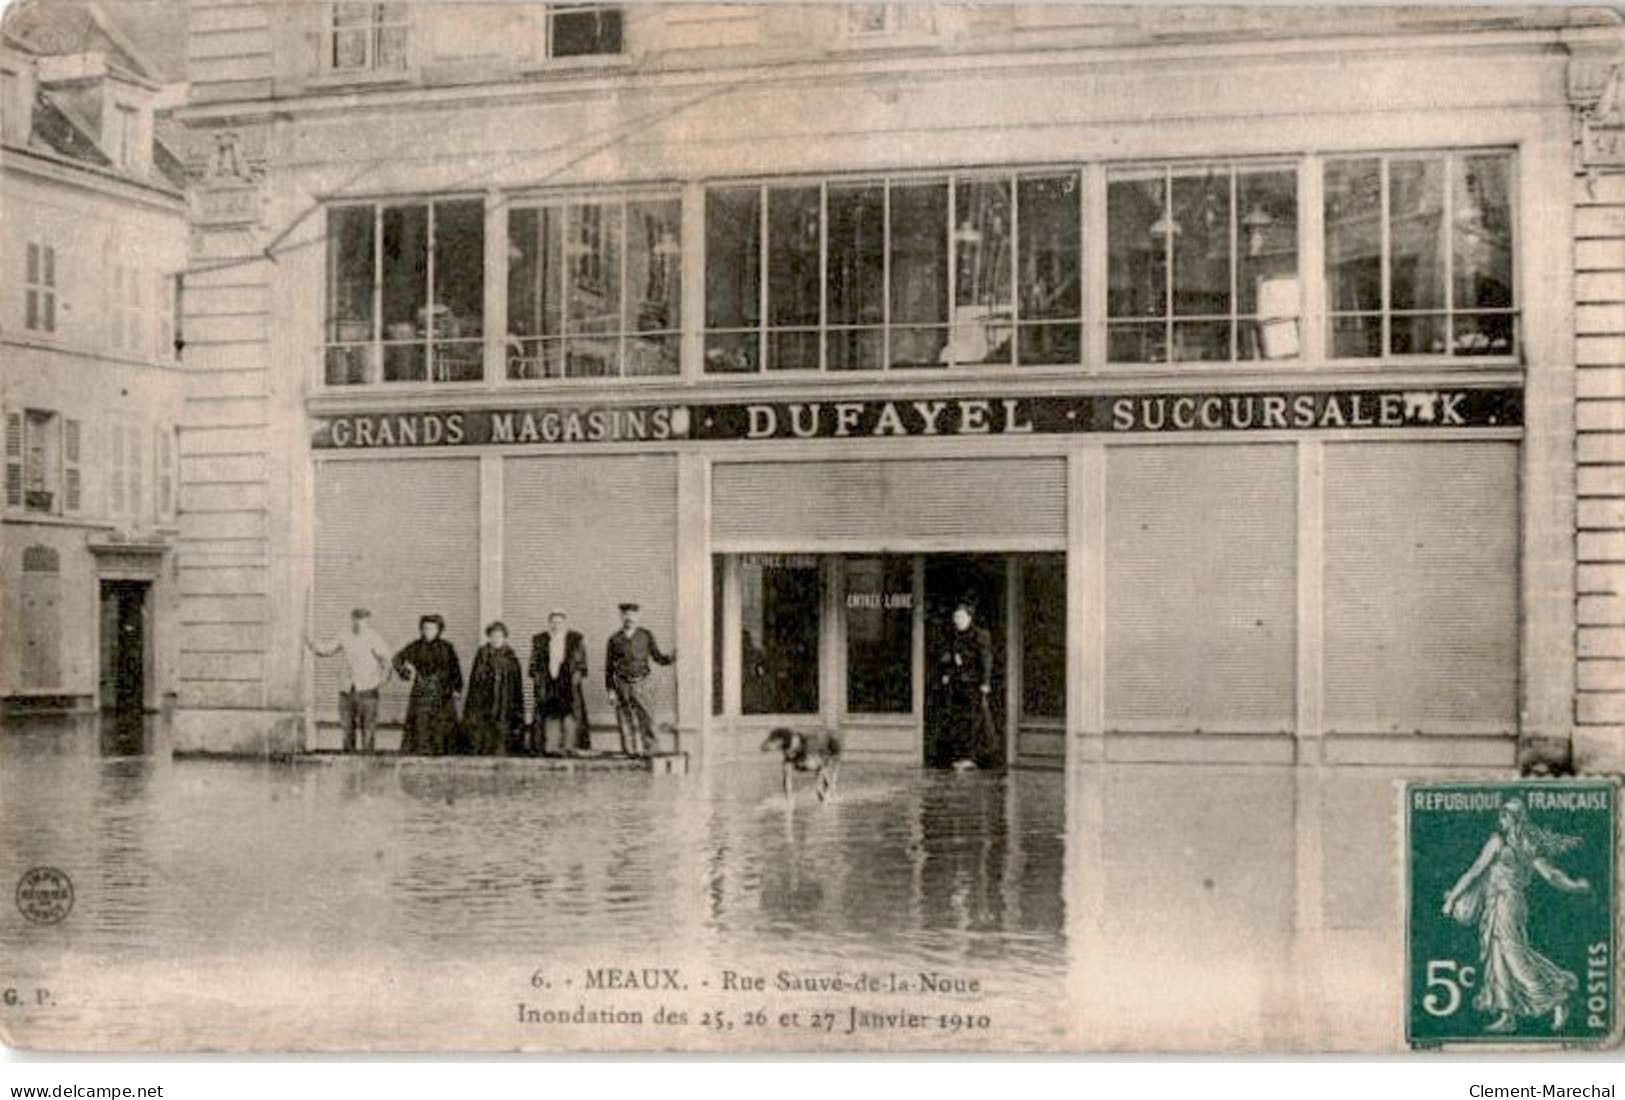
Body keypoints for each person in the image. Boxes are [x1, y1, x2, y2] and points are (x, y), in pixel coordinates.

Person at [1442, 798, 1591, 1033]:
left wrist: (1452, 899)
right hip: (1504, 903)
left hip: (1505, 904)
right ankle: (1507, 1014)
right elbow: (1551, 875)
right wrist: (1573, 886)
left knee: (1513, 955)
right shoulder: (1528, 844)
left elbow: (1474, 872)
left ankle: (1555, 997)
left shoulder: (1498, 842)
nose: (1501, 821)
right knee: (1498, 955)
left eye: (1504, 816)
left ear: (1513, 819)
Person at [303, 607, 392, 753]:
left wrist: (383, 678)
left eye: (362, 620)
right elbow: (327, 649)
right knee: (347, 727)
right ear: (352, 620)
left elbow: (386, 660)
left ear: (367, 621)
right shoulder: (344, 635)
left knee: (368, 728)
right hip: (347, 689)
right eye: (356, 619)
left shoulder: (374, 637)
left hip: (368, 690)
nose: (359, 623)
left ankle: (367, 761)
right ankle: (348, 759)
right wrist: (311, 643)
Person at [605, 602, 674, 758]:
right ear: (621, 617)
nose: (629, 618)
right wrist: (611, 691)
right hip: (621, 684)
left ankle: (651, 752)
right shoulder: (614, 639)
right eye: (626, 615)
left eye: (632, 615)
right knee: (624, 720)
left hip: (642, 683)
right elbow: (609, 667)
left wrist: (672, 657)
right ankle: (630, 753)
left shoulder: (646, 635)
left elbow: (658, 657)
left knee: (647, 719)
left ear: (638, 616)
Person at [936, 598, 997, 771]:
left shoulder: (980, 635)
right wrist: (948, 674)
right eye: (956, 618)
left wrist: (986, 682)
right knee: (960, 721)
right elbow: (951, 659)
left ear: (969, 618)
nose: (958, 621)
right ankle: (964, 756)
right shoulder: (955, 636)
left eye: (961, 618)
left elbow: (986, 659)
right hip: (959, 686)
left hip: (974, 685)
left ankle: (974, 757)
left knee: (975, 722)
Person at [393, 614, 463, 755]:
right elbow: (397, 659)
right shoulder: (416, 646)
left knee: (442, 726)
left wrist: (457, 688)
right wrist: (407, 673)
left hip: (442, 693)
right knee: (421, 724)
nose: (428, 631)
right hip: (422, 692)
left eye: (432, 628)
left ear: (439, 630)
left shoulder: (447, 647)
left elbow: (455, 669)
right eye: (425, 628)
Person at [530, 610, 590, 755]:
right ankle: (552, 747)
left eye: (559, 622)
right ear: (549, 623)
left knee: (569, 712)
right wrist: (539, 680)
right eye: (553, 622)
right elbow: (534, 664)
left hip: (567, 681)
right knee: (550, 712)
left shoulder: (575, 639)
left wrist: (576, 678)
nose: (556, 625)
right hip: (549, 681)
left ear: (565, 623)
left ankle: (570, 746)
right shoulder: (540, 640)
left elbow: (581, 663)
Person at [464, 621, 525, 756]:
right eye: (493, 636)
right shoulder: (482, 656)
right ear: (489, 637)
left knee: (502, 734)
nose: (496, 639)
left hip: (504, 702)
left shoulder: (511, 657)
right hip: (484, 702)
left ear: (504, 638)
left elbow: (516, 683)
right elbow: (474, 682)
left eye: (499, 636)